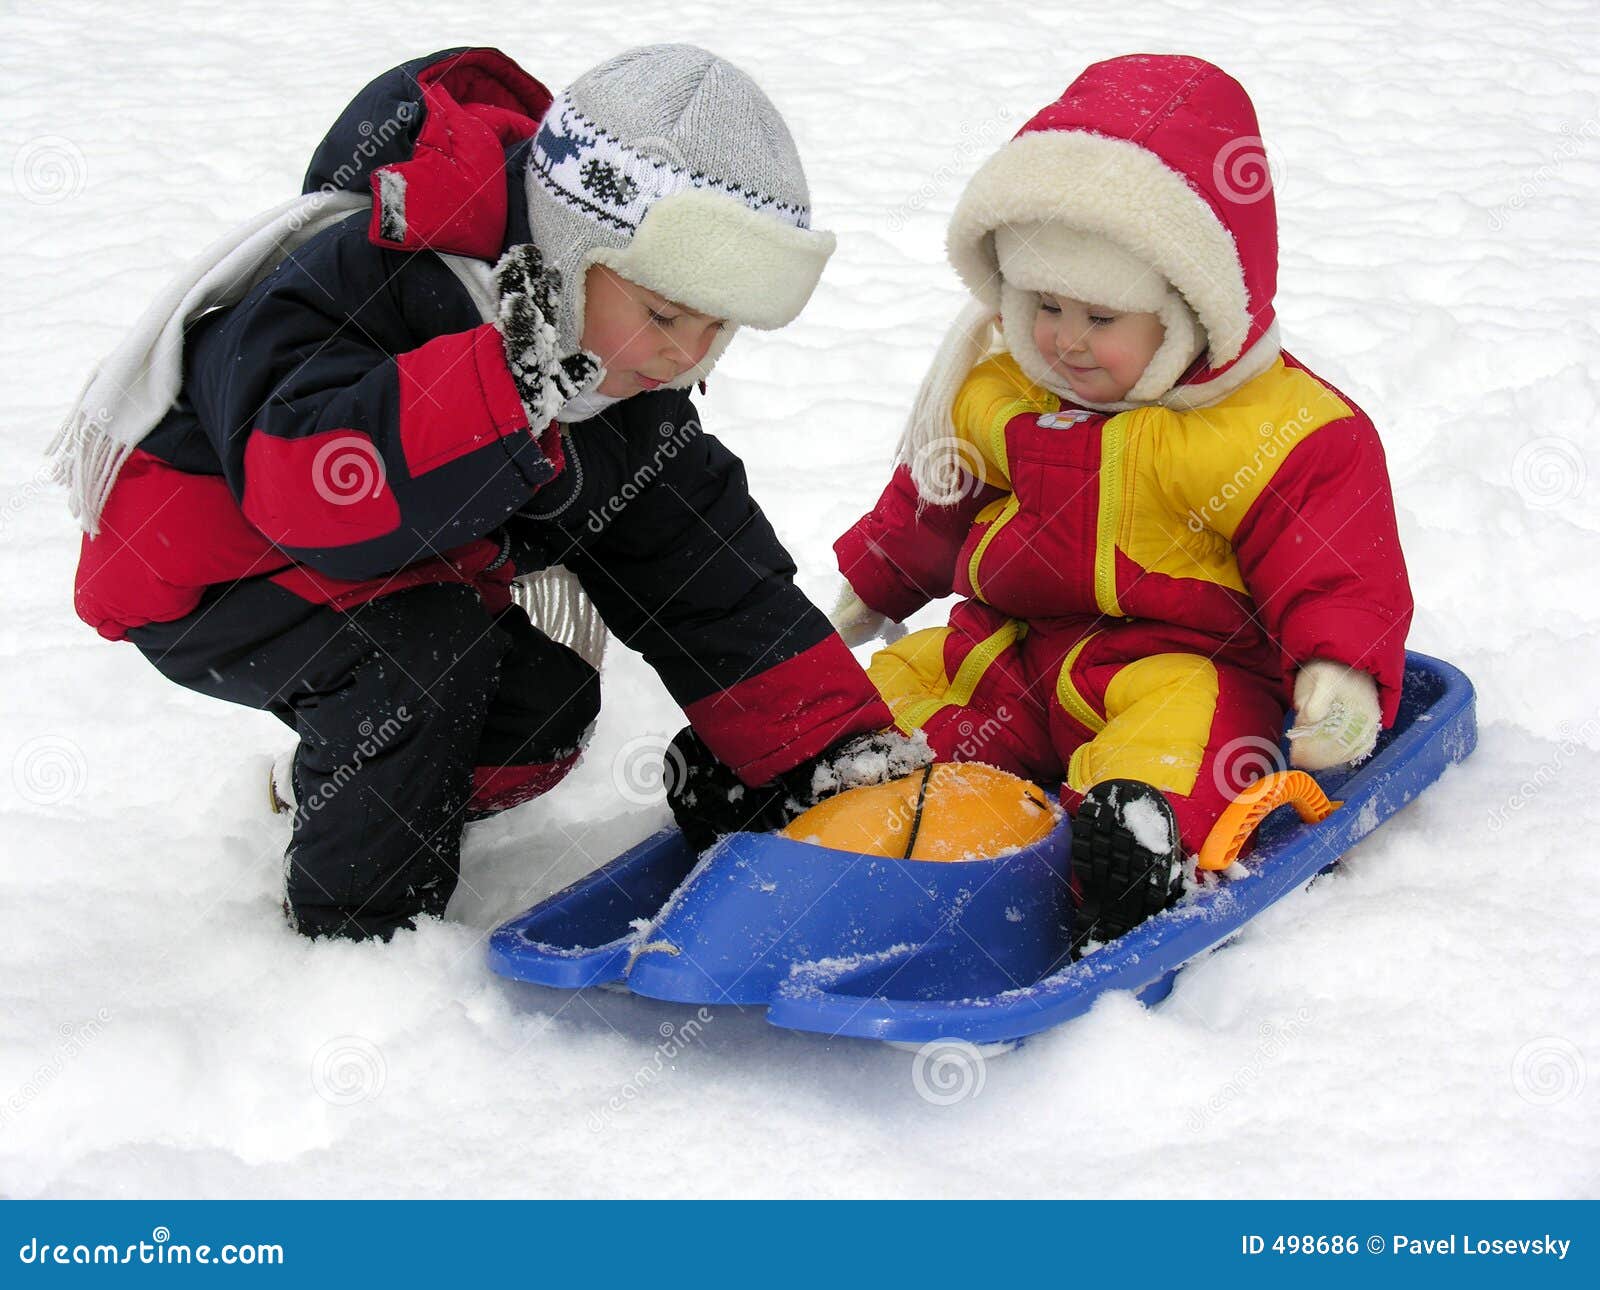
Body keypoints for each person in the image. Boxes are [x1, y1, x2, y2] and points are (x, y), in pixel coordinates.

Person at [57, 44, 923, 942]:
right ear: (575, 246)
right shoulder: (376, 275)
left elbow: (702, 569)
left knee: (541, 710)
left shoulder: (603, 367)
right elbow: (306, 491)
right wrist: (495, 392)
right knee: (416, 664)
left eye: (718, 328)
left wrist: (831, 757)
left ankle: (349, 779)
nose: (687, 356)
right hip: (217, 565)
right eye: (666, 317)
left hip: (400, 556)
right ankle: (358, 940)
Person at [829, 54, 1414, 949]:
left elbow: (1333, 562)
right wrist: (874, 586)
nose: (1063, 340)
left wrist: (1338, 677)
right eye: (1043, 303)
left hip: (1182, 665)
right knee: (907, 691)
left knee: (1191, 739)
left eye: (1101, 318)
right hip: (1013, 655)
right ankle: (811, 784)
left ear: (1189, 310)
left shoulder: (1278, 432)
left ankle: (1135, 850)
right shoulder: (998, 394)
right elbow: (935, 501)